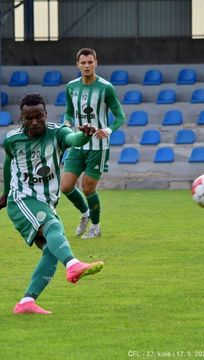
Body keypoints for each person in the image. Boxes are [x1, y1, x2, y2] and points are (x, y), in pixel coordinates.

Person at [0, 93, 104, 315]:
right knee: (54, 228)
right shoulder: (12, 139)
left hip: (46, 201)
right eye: (29, 118)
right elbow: (8, 164)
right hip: (22, 199)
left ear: (45, 114)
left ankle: (26, 302)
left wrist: (84, 135)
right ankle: (73, 265)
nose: (35, 122)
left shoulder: (57, 132)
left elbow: (73, 140)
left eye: (39, 116)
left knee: (52, 251)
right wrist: (6, 193)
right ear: (21, 118)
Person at [61, 48, 126, 239]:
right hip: (78, 144)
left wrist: (108, 130)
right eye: (83, 63)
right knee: (65, 187)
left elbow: (120, 116)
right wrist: (66, 123)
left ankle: (96, 227)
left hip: (98, 146)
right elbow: (69, 112)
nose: (87, 66)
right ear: (77, 65)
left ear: (96, 63)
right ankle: (85, 214)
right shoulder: (71, 87)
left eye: (90, 62)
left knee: (88, 188)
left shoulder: (106, 87)